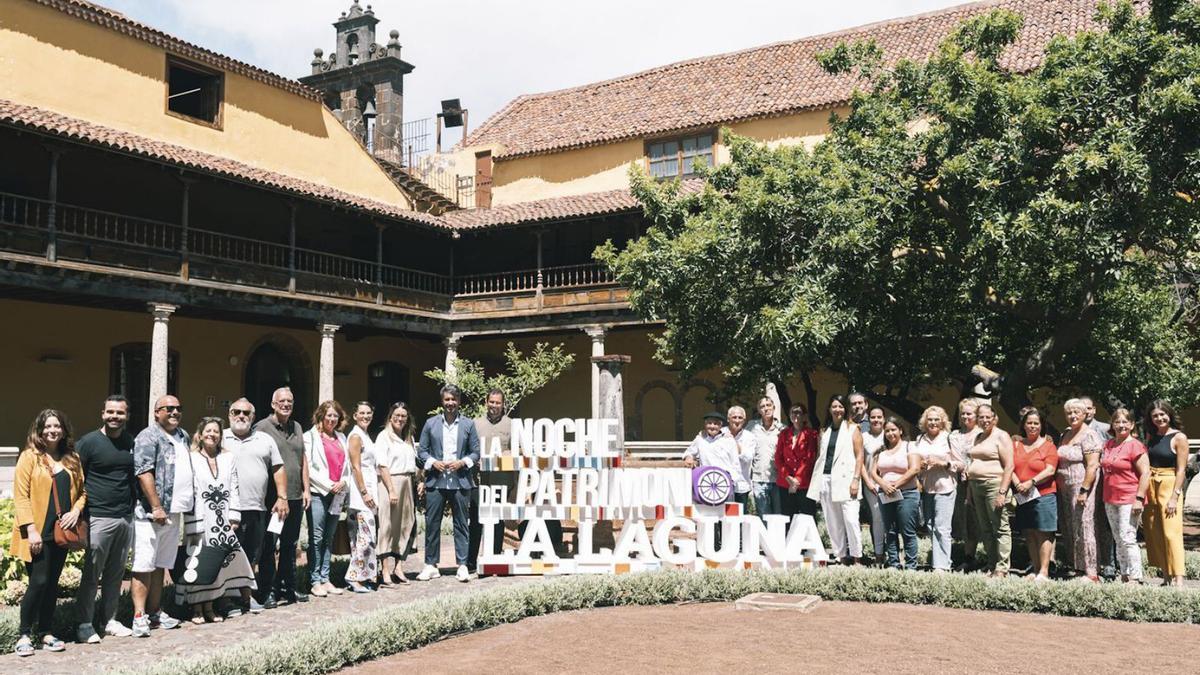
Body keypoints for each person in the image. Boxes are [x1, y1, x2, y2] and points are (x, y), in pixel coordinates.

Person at [10, 410, 86, 657]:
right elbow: (21, 496)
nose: (53, 430)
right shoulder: (29, 457)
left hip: (62, 532)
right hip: (36, 532)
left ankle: (45, 632)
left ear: (64, 430)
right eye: (48, 426)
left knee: (52, 584)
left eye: (57, 426)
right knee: (39, 582)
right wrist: (30, 529)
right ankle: (23, 634)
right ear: (39, 430)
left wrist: (76, 510)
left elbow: (83, 492)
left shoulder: (71, 458)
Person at [177, 417, 256, 623]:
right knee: (198, 561)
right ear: (200, 434)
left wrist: (234, 515)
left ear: (221, 436)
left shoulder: (228, 458)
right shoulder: (191, 457)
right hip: (200, 517)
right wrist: (192, 521)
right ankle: (196, 609)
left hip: (223, 520)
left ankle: (211, 606)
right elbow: (188, 489)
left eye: (216, 431)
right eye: (208, 431)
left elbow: (234, 487)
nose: (212, 434)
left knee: (217, 564)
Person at [75, 396, 135, 643]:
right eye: (110, 412)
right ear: (102, 414)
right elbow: (76, 478)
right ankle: (84, 624)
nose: (114, 416)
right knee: (92, 574)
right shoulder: (88, 443)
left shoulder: (129, 441)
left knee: (116, 574)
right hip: (98, 516)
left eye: (120, 413)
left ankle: (109, 620)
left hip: (125, 516)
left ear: (126, 416)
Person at [131, 395, 192, 636]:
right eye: (169, 409)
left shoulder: (182, 436)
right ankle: (139, 616)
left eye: (178, 408)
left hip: (173, 512)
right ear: (157, 412)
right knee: (143, 565)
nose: (175, 412)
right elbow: (144, 472)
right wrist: (156, 506)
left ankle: (155, 613)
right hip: (151, 514)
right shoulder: (148, 436)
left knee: (160, 565)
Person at [224, 398, 287, 612]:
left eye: (246, 413)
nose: (241, 416)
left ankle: (246, 596)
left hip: (257, 508)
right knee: (229, 555)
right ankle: (226, 598)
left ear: (253, 417)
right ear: (229, 414)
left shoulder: (264, 439)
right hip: (227, 509)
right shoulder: (219, 437)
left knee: (252, 555)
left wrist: (282, 497)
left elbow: (278, 468)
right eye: (236, 412)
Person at [416, 384, 480, 583]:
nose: (450, 403)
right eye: (447, 400)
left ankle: (462, 565)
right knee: (432, 523)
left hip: (460, 482)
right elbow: (422, 451)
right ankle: (430, 565)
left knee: (461, 524)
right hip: (436, 481)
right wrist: (434, 462)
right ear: (442, 401)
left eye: (454, 399)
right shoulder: (430, 424)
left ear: (459, 401)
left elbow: (476, 452)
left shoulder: (468, 425)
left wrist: (462, 462)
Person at [252, 387, 310, 605]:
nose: (286, 405)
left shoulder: (297, 426)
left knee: (289, 544)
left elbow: (302, 460)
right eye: (282, 401)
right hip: (273, 499)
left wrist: (306, 489)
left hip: (295, 496)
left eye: (290, 401)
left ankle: (288, 588)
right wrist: (278, 496)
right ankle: (267, 591)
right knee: (269, 545)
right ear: (273, 404)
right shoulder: (262, 428)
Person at [807, 394, 865, 565]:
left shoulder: (853, 429)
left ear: (845, 409)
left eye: (840, 406)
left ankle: (857, 558)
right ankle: (841, 556)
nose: (837, 410)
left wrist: (856, 479)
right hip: (826, 479)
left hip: (847, 481)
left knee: (851, 520)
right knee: (833, 521)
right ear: (829, 409)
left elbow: (860, 455)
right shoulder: (824, 431)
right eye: (834, 406)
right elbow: (820, 456)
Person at [1056, 398, 1106, 581]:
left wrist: (1084, 490)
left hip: (1082, 487)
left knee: (1085, 526)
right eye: (1069, 413)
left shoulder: (1090, 435)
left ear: (1085, 414)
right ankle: (1077, 567)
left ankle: (1091, 571)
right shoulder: (1065, 434)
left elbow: (1093, 465)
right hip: (1064, 488)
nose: (1072, 415)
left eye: (1076, 412)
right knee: (1070, 527)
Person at [304, 400, 350, 597]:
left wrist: (344, 482)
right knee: (316, 538)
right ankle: (314, 581)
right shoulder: (310, 437)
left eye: (335, 416)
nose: (332, 419)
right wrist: (328, 485)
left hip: (337, 494)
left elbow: (347, 466)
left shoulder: (341, 437)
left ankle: (325, 578)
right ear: (321, 416)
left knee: (329, 538)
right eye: (328, 415)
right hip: (318, 492)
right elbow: (308, 467)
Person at [1100, 408, 1149, 584]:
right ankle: (1125, 575)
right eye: (1117, 422)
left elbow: (1145, 473)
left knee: (1128, 537)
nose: (1121, 425)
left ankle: (1136, 577)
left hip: (1129, 497)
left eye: (1125, 422)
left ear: (1131, 424)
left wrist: (1139, 498)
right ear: (1112, 424)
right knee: (1118, 538)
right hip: (1110, 497)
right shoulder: (1109, 444)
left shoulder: (1135, 445)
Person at [1142, 400, 1188, 586]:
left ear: (1169, 414)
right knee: (1155, 532)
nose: (1159, 418)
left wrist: (1175, 496)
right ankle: (1166, 576)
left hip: (1170, 485)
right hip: (1152, 484)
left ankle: (1178, 578)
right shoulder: (1151, 436)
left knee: (1171, 532)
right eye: (1155, 416)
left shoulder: (1179, 438)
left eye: (1162, 414)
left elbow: (1181, 470)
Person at [966, 404, 1014, 577]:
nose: (985, 420)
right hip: (976, 486)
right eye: (981, 417)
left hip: (995, 485)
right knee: (985, 528)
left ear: (994, 418)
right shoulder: (978, 437)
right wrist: (969, 492)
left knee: (1000, 527)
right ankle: (991, 563)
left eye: (988, 417)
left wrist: (1002, 492)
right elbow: (972, 465)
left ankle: (1002, 568)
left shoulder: (1001, 436)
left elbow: (1009, 466)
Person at [1011, 407, 1058, 582]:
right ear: (1023, 425)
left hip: (1043, 494)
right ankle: (1035, 568)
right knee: (1029, 532)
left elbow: (1050, 470)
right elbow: (1009, 466)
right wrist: (1017, 483)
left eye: (1036, 423)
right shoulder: (1016, 444)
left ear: (1041, 426)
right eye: (1029, 423)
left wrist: (1031, 482)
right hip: (1022, 495)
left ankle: (1044, 571)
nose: (1032, 426)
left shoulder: (1049, 446)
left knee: (1043, 532)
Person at [374, 402, 419, 586]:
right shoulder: (383, 437)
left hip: (407, 482)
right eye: (397, 415)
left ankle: (398, 567)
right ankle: (384, 569)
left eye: (403, 416)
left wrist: (419, 480)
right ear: (390, 417)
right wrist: (391, 489)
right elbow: (382, 465)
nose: (400, 419)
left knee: (406, 524)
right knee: (387, 525)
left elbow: (414, 463)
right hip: (390, 483)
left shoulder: (408, 438)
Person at [913, 405, 961, 573]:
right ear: (925, 422)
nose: (933, 422)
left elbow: (961, 464)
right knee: (930, 526)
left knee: (942, 527)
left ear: (942, 422)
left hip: (945, 487)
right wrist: (921, 465)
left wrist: (943, 463)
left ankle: (942, 566)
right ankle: (938, 562)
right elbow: (914, 463)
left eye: (936, 419)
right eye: (930, 419)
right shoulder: (920, 439)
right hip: (926, 488)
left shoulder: (949, 438)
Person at [870, 417, 921, 570]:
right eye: (887, 431)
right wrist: (883, 485)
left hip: (907, 494)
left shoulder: (909, 446)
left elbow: (915, 468)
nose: (890, 433)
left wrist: (895, 485)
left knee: (907, 531)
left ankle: (911, 566)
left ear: (900, 430)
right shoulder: (881, 451)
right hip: (885, 494)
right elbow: (873, 472)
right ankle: (894, 563)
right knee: (890, 531)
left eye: (893, 430)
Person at [344, 402, 380, 593]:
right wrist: (364, 492)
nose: (365, 416)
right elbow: (356, 466)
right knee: (364, 538)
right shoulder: (356, 436)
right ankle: (353, 577)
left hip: (369, 491)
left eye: (368, 413)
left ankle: (363, 575)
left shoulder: (365, 435)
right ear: (355, 415)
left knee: (364, 538)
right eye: (362, 413)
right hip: (360, 495)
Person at [683, 412, 748, 503]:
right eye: (709, 423)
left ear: (720, 425)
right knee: (707, 514)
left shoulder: (728, 440)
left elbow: (735, 464)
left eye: (716, 424)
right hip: (705, 484)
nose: (712, 426)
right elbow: (689, 452)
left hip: (724, 485)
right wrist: (689, 457)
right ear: (705, 425)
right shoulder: (700, 439)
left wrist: (733, 482)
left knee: (726, 515)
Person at [949, 399, 983, 571]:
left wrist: (970, 469)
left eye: (969, 413)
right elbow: (955, 459)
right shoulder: (954, 435)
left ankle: (994, 560)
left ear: (976, 415)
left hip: (982, 481)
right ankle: (969, 557)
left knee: (986, 520)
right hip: (962, 483)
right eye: (963, 413)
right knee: (968, 519)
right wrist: (964, 469)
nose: (965, 416)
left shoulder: (983, 433)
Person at [775, 403, 819, 523]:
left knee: (808, 516)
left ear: (804, 416)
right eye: (792, 412)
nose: (795, 415)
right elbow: (778, 458)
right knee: (787, 517)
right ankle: (788, 541)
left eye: (798, 412)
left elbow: (809, 459)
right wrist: (788, 478)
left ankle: (809, 542)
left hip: (804, 483)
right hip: (786, 483)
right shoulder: (784, 434)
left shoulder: (811, 434)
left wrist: (797, 480)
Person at [747, 396, 785, 521]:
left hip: (777, 479)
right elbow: (739, 436)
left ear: (774, 408)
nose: (766, 409)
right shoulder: (752, 427)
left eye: (768, 405)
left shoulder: (782, 429)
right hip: (759, 478)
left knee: (778, 515)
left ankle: (778, 540)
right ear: (758, 410)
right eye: (762, 406)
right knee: (763, 516)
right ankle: (765, 541)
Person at [858, 407, 887, 565]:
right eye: (873, 417)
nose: (876, 420)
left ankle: (892, 554)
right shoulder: (863, 437)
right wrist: (868, 482)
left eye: (879, 417)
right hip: (871, 486)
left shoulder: (889, 434)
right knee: (877, 519)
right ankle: (879, 555)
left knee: (890, 520)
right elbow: (860, 462)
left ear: (884, 418)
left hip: (889, 484)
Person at [724, 405, 757, 507]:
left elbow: (748, 457)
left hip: (741, 485)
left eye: (740, 418)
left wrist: (733, 442)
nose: (737, 420)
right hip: (723, 484)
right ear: (728, 419)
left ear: (744, 420)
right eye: (734, 417)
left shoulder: (749, 437)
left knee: (740, 518)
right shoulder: (720, 433)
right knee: (721, 519)